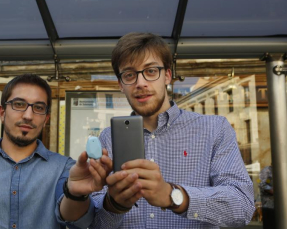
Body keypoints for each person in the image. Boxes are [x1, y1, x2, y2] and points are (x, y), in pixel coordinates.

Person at [89, 32, 255, 228]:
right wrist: (114, 204)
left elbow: (243, 205)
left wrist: (174, 196)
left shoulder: (215, 129)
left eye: (150, 71)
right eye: (129, 75)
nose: (140, 83)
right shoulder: (108, 138)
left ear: (167, 75)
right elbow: (96, 224)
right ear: (121, 85)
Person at [0, 74, 111, 229]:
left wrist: (75, 194)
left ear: (46, 119)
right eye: (19, 104)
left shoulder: (64, 168)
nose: (28, 115)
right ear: (2, 113)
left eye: (38, 108)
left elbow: (78, 220)